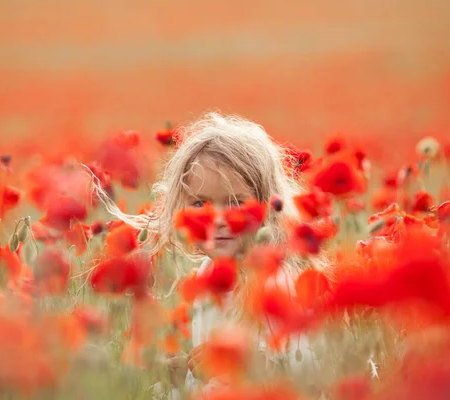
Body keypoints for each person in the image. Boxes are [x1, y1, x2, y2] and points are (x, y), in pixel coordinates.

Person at [93, 112, 327, 397]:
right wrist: (182, 379)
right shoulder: (203, 278)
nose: (217, 218)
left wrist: (252, 365)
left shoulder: (281, 283)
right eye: (200, 202)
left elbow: (313, 378)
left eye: (235, 202)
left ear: (268, 204)